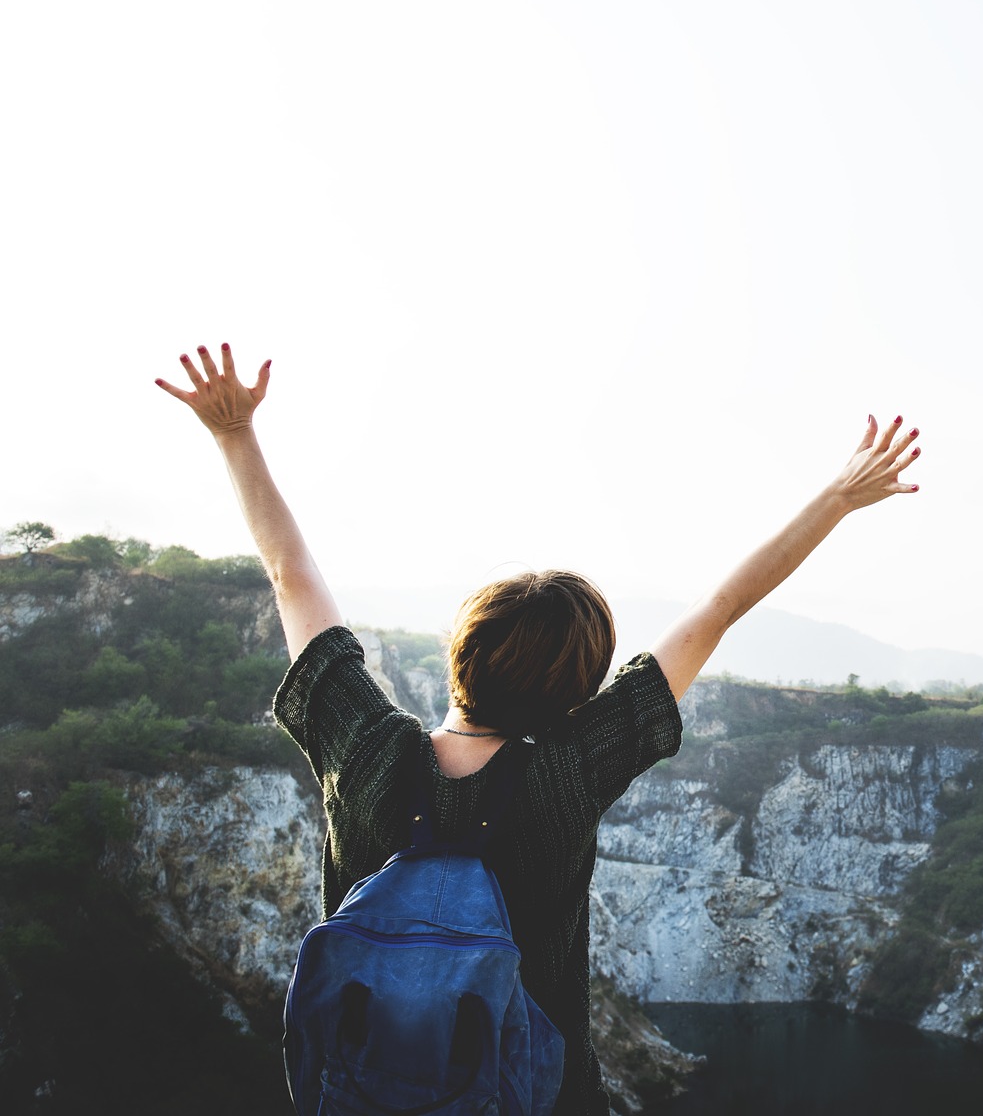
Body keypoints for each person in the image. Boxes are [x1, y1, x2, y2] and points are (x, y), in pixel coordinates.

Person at [158, 343, 924, 1115]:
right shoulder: (570, 770)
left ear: (462, 652)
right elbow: (721, 608)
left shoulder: (364, 752)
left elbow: (291, 576)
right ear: (579, 693)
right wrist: (837, 497)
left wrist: (234, 434)